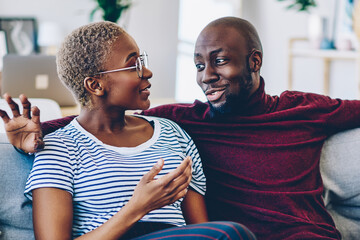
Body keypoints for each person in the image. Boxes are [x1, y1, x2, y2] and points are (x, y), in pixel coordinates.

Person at [2, 16, 359, 239]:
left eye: (219, 61)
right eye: (199, 65)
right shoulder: (183, 119)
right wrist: (39, 132)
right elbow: (90, 122)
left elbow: (198, 227)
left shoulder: (175, 131)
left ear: (255, 61)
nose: (206, 76)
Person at [0, 21, 256, 240]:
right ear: (95, 84)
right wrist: (138, 207)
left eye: (142, 61)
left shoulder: (174, 134)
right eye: (134, 65)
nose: (147, 72)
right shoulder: (58, 149)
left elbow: (201, 230)